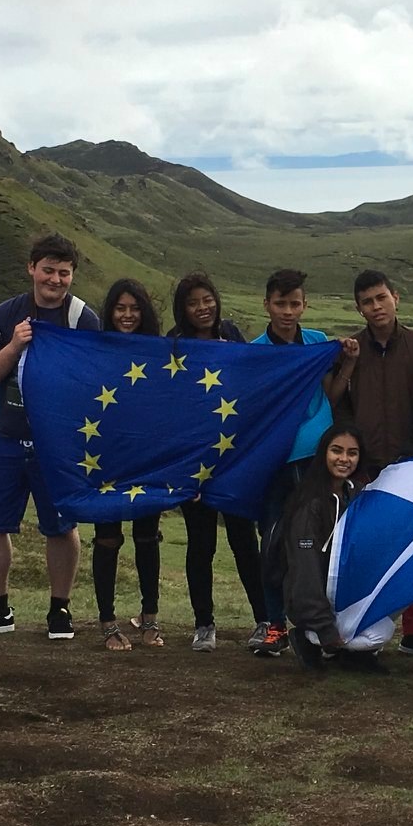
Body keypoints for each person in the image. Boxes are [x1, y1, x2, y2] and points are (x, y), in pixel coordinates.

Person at [0, 233, 100, 640]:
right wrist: (14, 347)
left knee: (61, 526)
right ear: (32, 268)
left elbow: (94, 383)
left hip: (58, 444)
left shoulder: (83, 318)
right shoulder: (5, 313)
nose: (56, 280)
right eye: (48, 270)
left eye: (64, 273)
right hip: (7, 435)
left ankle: (59, 610)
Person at [328, 270, 413, 657]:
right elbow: (336, 402)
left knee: (411, 548)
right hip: (366, 466)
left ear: (396, 297)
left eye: (381, 298)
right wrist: (348, 366)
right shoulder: (351, 350)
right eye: (367, 302)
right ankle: (363, 625)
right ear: (359, 308)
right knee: (368, 547)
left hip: (412, 464)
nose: (376, 307)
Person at [169, 272, 266, 652]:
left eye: (207, 299)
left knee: (244, 541)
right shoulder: (173, 345)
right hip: (193, 464)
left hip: (234, 462)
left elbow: (253, 381)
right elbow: (169, 411)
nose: (202, 308)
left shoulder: (232, 334)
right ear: (183, 308)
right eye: (193, 302)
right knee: (201, 544)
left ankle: (264, 619)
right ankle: (204, 623)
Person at [248, 268, 341, 657]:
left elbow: (332, 392)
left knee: (317, 542)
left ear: (305, 305)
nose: (288, 311)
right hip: (272, 461)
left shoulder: (317, 342)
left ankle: (317, 625)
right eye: (280, 303)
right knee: (272, 542)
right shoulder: (254, 350)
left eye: (295, 303)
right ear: (267, 304)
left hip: (314, 458)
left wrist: (347, 361)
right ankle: (274, 625)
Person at [90, 278, 166, 648]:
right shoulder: (97, 348)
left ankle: (149, 618)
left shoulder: (159, 351)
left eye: (134, 308)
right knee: (107, 539)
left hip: (147, 458)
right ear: (110, 312)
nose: (127, 315)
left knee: (147, 537)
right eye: (120, 308)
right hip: (106, 458)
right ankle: (107, 623)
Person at [274, 425, 382, 672]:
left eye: (352, 453)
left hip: (344, 595)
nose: (344, 459)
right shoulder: (308, 503)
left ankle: (351, 652)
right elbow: (305, 570)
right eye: (337, 451)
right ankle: (310, 638)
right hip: (312, 601)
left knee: (382, 631)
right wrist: (325, 627)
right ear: (324, 453)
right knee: (371, 636)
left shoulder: (357, 495)